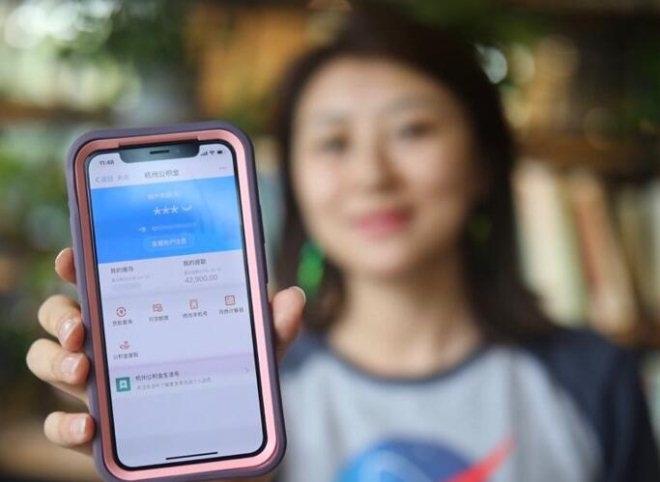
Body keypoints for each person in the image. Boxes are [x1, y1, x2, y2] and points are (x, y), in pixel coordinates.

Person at [26, 6, 658, 482]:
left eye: (412, 130)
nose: (371, 176)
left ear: (483, 160)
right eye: (333, 143)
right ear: (294, 181)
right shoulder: (254, 393)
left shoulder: (592, 380)